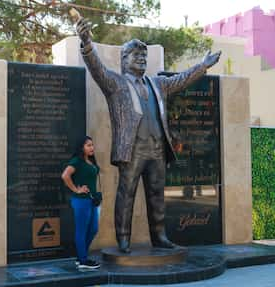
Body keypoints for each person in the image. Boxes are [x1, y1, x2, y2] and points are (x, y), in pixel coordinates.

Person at [76, 18, 221, 253]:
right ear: (124, 60)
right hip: (132, 149)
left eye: (144, 57)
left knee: (157, 196)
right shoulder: (116, 83)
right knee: (127, 195)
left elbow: (181, 79)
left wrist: (203, 66)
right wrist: (86, 44)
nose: (142, 60)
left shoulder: (158, 84)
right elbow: (96, 68)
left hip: (156, 149)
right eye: (137, 56)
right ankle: (123, 239)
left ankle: (160, 237)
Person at [61, 136, 101, 269]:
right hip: (81, 201)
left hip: (92, 200)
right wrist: (76, 190)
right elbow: (65, 176)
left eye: (92, 145)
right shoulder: (76, 161)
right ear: (81, 147)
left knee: (93, 229)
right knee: (81, 230)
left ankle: (80, 256)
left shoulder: (90, 161)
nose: (92, 147)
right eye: (88, 145)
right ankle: (83, 260)